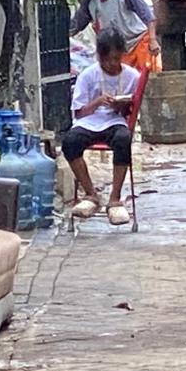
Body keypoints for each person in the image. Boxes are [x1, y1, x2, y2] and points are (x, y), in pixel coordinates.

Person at [61, 28, 141, 226]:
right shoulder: (88, 75)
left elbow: (132, 110)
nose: (113, 64)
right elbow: (78, 112)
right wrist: (97, 102)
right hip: (89, 122)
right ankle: (91, 194)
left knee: (123, 140)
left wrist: (121, 106)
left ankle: (115, 197)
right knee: (70, 142)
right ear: (100, 57)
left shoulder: (132, 76)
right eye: (108, 60)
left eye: (117, 58)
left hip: (115, 121)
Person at [71, 0, 161, 71]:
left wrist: (152, 40)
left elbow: (147, 16)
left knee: (150, 76)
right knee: (125, 83)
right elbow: (76, 25)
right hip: (120, 49)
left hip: (139, 41)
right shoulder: (89, 2)